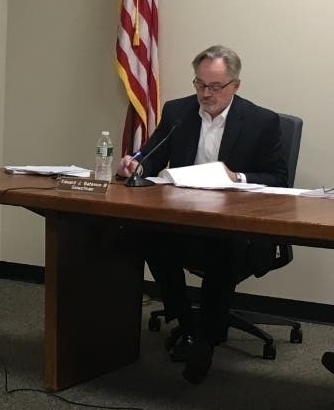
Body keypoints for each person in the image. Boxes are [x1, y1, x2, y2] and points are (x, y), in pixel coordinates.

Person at [116, 45, 287, 385]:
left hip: (235, 225)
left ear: (235, 85)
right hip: (183, 217)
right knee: (147, 236)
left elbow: (280, 178)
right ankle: (188, 325)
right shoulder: (178, 112)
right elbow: (153, 156)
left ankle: (205, 341)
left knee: (224, 248)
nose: (205, 94)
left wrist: (237, 177)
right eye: (200, 84)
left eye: (215, 87)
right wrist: (135, 164)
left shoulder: (261, 121)